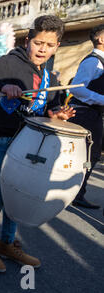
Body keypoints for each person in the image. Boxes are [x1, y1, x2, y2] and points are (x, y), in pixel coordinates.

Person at [0, 15, 76, 273]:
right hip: (3, 139)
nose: (42, 49)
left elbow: (42, 108)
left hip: (26, 141)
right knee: (1, 195)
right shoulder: (12, 62)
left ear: (57, 46)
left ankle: (6, 243)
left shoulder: (46, 74)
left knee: (15, 195)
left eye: (49, 45)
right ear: (28, 41)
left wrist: (54, 114)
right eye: (38, 43)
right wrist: (3, 86)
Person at [68, 24, 104, 210]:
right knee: (89, 154)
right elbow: (77, 88)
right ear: (101, 39)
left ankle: (77, 192)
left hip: (93, 114)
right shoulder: (93, 62)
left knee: (91, 155)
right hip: (85, 114)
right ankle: (76, 193)